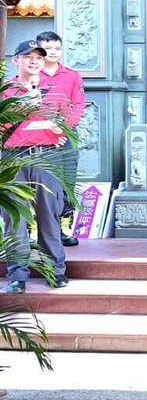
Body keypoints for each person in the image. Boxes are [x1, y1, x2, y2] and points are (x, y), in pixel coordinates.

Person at [2, 40, 71, 293]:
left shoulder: (54, 90)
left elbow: (65, 121)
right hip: (13, 158)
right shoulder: (5, 91)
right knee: (15, 216)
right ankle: (17, 276)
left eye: (39, 57)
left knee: (49, 214)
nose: (34, 61)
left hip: (47, 157)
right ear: (15, 60)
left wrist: (60, 131)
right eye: (28, 56)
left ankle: (55, 270)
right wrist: (21, 109)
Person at [36, 31, 85, 247]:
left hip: (66, 137)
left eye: (57, 48)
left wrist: (63, 130)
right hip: (37, 138)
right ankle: (35, 230)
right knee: (38, 183)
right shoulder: (31, 75)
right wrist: (47, 132)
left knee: (67, 182)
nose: (53, 52)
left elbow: (78, 106)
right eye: (48, 48)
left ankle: (65, 229)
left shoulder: (72, 75)